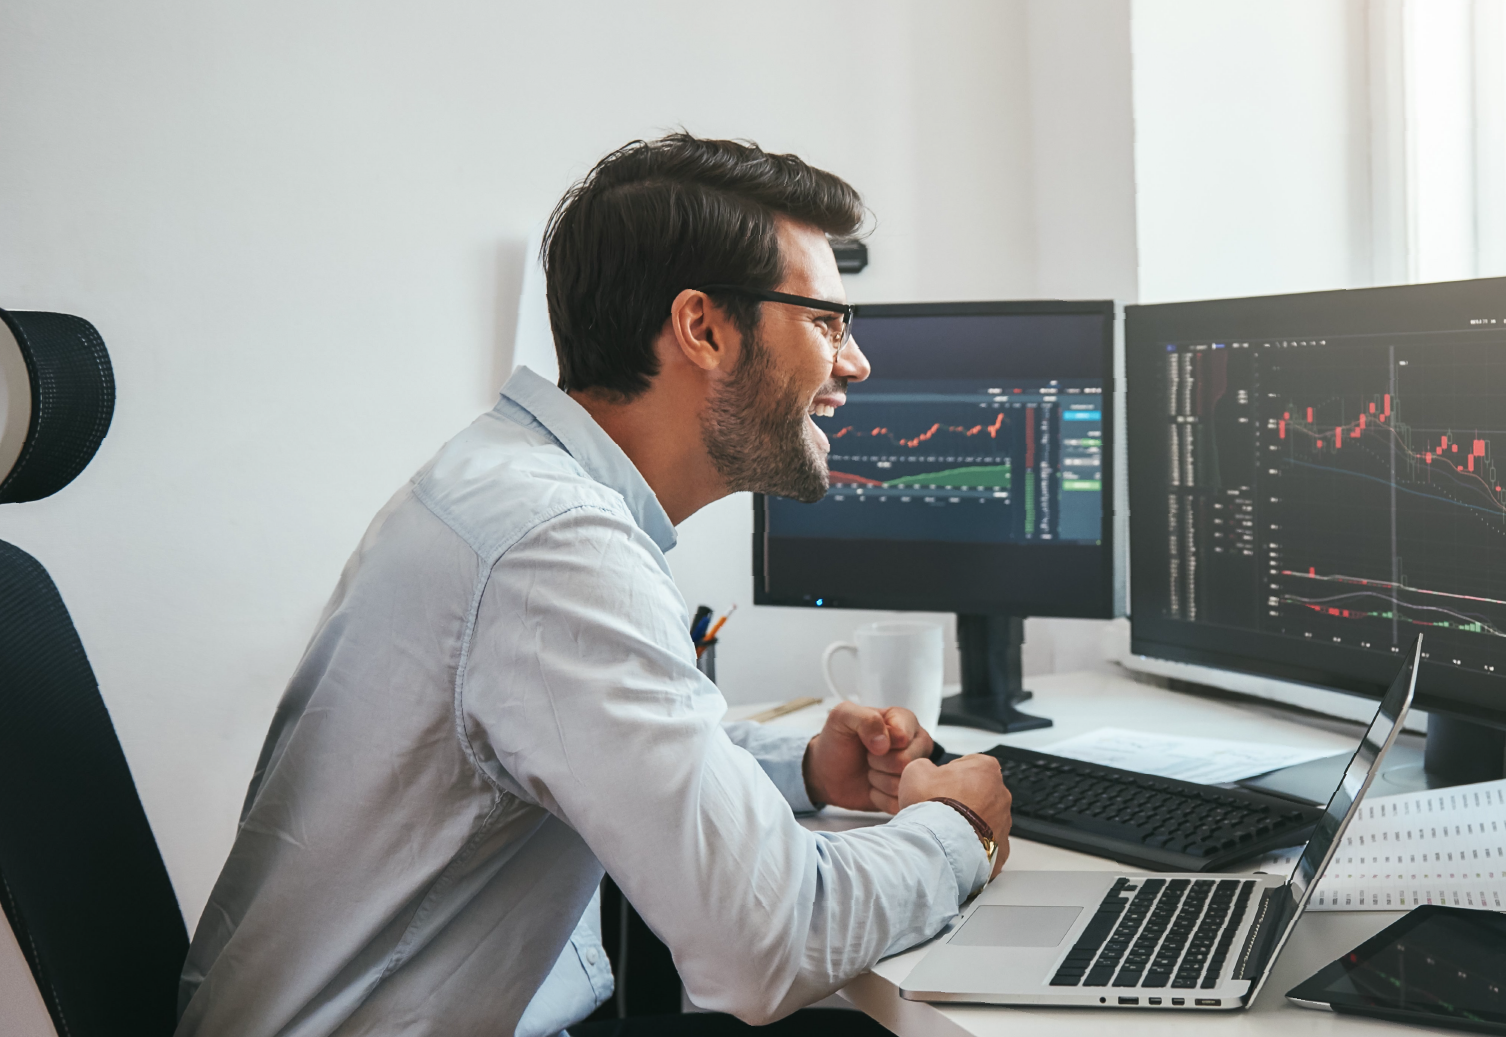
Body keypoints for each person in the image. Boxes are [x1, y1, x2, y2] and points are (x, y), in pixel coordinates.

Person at [175, 134, 1013, 1037]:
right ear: (703, 328)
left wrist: (798, 767)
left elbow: (582, 750)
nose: (855, 364)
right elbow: (767, 942)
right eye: (827, 322)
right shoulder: (555, 547)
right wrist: (955, 828)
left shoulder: (510, 483)